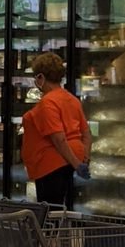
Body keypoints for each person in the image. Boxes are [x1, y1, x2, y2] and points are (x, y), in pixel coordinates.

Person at [21, 52, 91, 209]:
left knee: (49, 212)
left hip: (50, 164)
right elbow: (86, 133)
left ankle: (50, 234)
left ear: (40, 77)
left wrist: (77, 164)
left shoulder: (48, 103)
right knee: (58, 207)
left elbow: (58, 139)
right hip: (68, 161)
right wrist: (83, 159)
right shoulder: (71, 99)